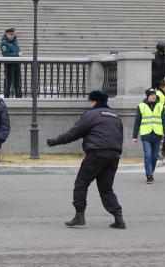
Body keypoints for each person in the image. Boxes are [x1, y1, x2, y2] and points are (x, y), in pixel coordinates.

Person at [46, 90, 126, 229]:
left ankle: (79, 216)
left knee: (81, 183)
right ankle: (119, 218)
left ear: (94, 101)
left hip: (97, 153)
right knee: (106, 188)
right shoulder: (115, 116)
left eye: (90, 101)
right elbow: (119, 135)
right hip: (114, 155)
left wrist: (55, 141)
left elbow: (73, 133)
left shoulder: (91, 115)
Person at [133, 89, 165, 184]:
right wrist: (135, 136)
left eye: (154, 94)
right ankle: (149, 176)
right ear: (148, 96)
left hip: (157, 134)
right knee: (148, 155)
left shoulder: (160, 106)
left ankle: (151, 172)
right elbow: (137, 122)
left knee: (154, 157)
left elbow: (164, 120)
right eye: (151, 95)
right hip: (146, 134)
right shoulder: (141, 106)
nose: (154, 96)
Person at [1, 27, 22, 98]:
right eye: (11, 34)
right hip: (9, 66)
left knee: (18, 83)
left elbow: (19, 51)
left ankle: (19, 98)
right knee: (8, 83)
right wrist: (17, 54)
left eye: (13, 34)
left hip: (16, 65)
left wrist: (17, 54)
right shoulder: (4, 43)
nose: (12, 35)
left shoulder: (15, 42)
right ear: (7, 34)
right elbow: (6, 55)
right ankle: (6, 97)